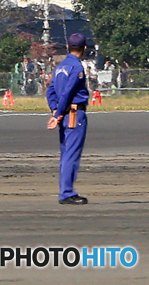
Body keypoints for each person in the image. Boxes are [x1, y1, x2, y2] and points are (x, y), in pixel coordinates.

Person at [46, 33, 91, 205]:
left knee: (66, 153)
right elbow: (68, 92)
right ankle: (66, 192)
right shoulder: (77, 68)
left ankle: (66, 190)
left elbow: (51, 91)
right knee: (71, 155)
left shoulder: (60, 67)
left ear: (67, 47)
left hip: (63, 113)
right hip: (73, 114)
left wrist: (55, 110)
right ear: (84, 48)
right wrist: (58, 114)